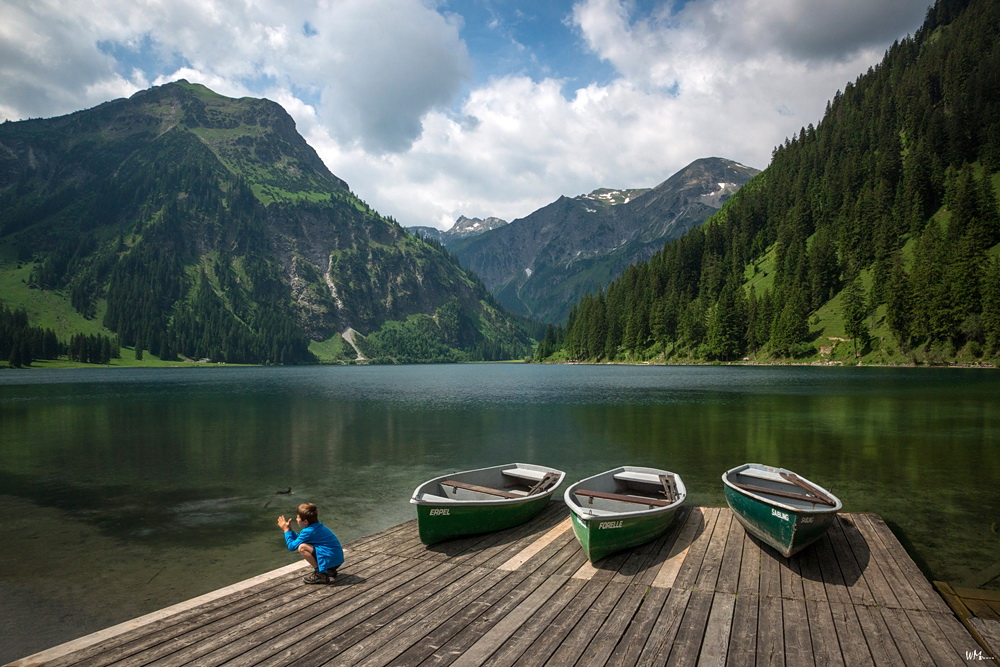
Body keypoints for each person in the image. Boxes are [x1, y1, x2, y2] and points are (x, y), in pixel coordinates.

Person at [277, 502, 344, 584]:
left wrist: (286, 531)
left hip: (331, 559)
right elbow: (300, 539)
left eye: (298, 517)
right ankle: (330, 571)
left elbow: (291, 546)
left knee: (302, 547)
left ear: (305, 521)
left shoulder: (308, 531)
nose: (296, 519)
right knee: (305, 545)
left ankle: (320, 574)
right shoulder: (317, 526)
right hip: (336, 559)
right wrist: (290, 530)